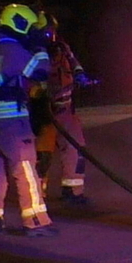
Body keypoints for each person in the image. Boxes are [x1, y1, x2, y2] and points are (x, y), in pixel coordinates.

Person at [0, 4, 58, 238]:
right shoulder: (11, 49)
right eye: (29, 26)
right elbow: (41, 70)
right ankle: (36, 221)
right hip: (13, 118)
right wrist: (40, 44)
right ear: (19, 23)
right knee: (25, 168)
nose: (31, 30)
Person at [30, 12, 93, 206]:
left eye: (51, 30)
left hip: (65, 109)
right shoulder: (32, 51)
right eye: (47, 31)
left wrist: (82, 78)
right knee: (43, 155)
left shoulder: (62, 47)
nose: (50, 34)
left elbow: (75, 66)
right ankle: (36, 197)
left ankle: (72, 191)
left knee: (76, 149)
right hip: (44, 112)